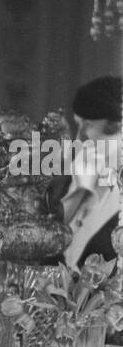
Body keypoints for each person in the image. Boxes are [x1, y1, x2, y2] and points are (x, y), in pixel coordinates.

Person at [61, 76, 121, 269]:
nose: (80, 136)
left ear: (118, 124)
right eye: (79, 124)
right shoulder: (78, 178)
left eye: (90, 125)